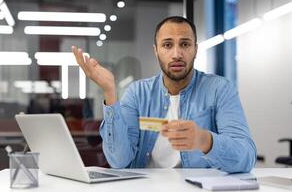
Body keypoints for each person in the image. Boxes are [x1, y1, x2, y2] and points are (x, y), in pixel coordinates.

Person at [72, 16, 256, 173]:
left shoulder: (219, 89)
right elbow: (118, 161)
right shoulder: (138, 93)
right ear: (156, 51)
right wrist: (110, 93)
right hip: (148, 190)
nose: (177, 54)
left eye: (185, 44)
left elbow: (246, 158)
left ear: (195, 49)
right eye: (167, 45)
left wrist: (204, 139)